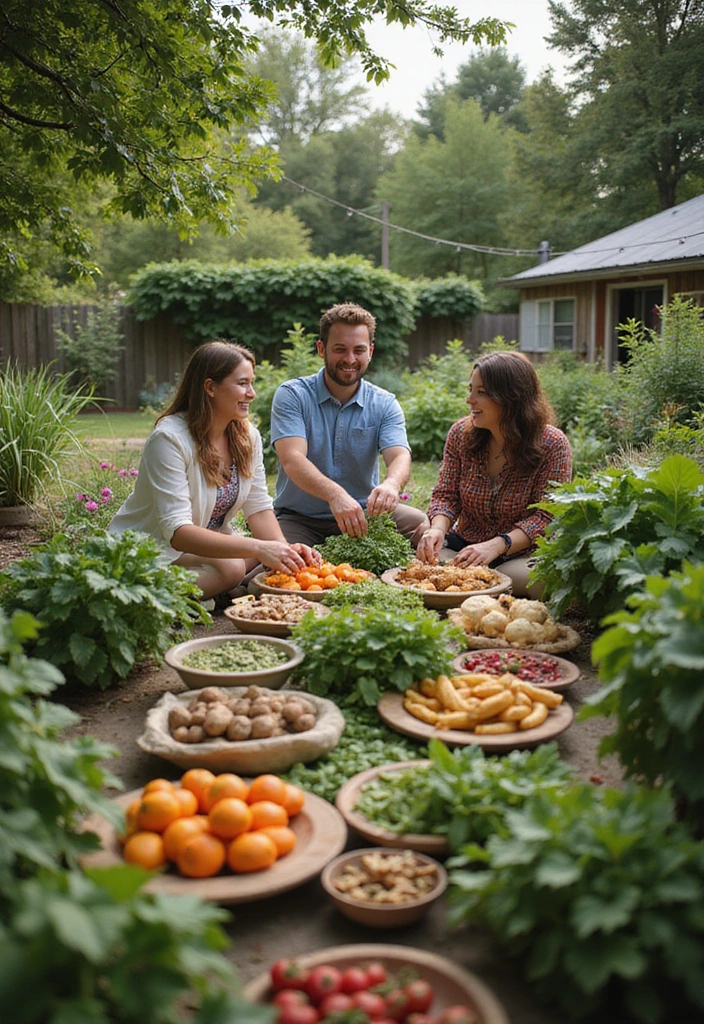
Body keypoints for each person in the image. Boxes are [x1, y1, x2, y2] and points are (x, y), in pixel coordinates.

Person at [109, 340, 320, 601]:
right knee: (233, 567)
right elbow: (178, 533)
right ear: (210, 387)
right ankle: (138, 598)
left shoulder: (247, 436)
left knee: (261, 554)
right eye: (242, 384)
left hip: (199, 549)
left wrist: (284, 552)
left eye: (251, 383)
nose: (252, 393)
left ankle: (213, 592)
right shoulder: (169, 439)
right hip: (153, 546)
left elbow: (258, 508)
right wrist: (261, 548)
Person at [270, 302, 429, 547]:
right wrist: (335, 495)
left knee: (422, 525)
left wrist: (391, 484)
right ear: (321, 349)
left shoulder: (384, 403)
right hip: (300, 519)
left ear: (370, 351)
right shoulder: (293, 395)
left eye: (359, 350)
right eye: (340, 349)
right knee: (287, 562)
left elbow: (399, 455)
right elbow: (292, 459)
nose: (350, 359)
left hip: (363, 516)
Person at [415, 350, 572, 597]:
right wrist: (437, 529)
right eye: (470, 390)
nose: (469, 400)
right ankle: (477, 584)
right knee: (423, 558)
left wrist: (497, 545)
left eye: (481, 392)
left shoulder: (553, 444)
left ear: (511, 397)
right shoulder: (460, 434)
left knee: (532, 580)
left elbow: (546, 517)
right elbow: (446, 496)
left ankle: (478, 584)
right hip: (464, 547)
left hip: (520, 554)